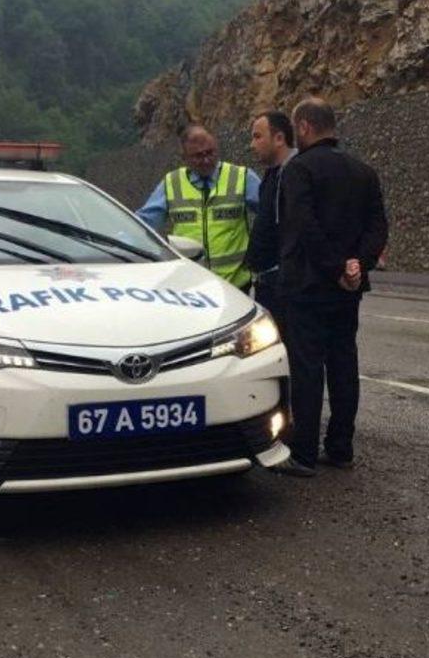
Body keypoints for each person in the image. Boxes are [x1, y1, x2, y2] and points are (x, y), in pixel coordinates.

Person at [276, 97, 388, 477]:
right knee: (344, 363)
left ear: (305, 127)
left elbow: (304, 227)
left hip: (308, 285)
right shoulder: (364, 172)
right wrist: (357, 264)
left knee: (307, 368)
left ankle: (303, 453)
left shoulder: (299, 171)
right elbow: (378, 228)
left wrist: (335, 266)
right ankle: (341, 447)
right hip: (347, 289)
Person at [137, 124, 260, 291]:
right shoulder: (172, 183)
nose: (206, 160)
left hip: (236, 287)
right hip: (191, 288)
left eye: (210, 152)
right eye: (198, 156)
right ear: (184, 157)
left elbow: (271, 215)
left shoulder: (242, 177)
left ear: (217, 147)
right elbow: (143, 224)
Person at [247, 110, 297, 334]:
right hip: (268, 285)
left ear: (279, 138)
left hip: (285, 287)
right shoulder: (270, 175)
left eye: (258, 137)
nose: (252, 144)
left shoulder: (295, 174)